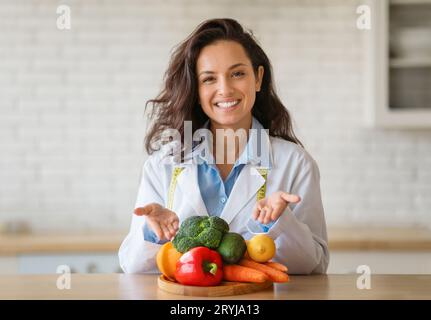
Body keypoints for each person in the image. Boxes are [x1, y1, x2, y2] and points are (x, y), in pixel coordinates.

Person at [118, 18, 329, 274]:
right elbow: (132, 265)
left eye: (237, 74)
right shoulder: (163, 163)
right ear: (196, 89)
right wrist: (155, 232)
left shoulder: (295, 163)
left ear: (258, 78)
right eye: (209, 79)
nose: (225, 89)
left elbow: (314, 266)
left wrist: (280, 221)